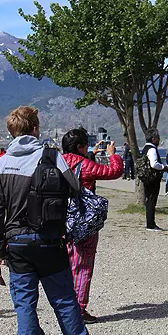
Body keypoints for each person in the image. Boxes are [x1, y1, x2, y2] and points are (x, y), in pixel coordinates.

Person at [0, 106, 106, 335]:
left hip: (17, 244)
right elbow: (75, 189)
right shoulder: (53, 157)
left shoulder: (2, 163)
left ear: (11, 131)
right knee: (64, 301)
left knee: (25, 305)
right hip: (50, 240)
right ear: (36, 129)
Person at [62, 128, 124, 323]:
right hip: (83, 221)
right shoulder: (84, 164)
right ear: (80, 147)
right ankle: (78, 309)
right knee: (83, 265)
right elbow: (114, 172)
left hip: (61, 220)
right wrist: (113, 156)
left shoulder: (58, 162)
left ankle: (65, 306)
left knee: (65, 265)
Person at [142, 128, 167, 231]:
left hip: (146, 177)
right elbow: (154, 164)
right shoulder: (152, 149)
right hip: (152, 178)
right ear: (153, 139)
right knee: (152, 200)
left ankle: (150, 222)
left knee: (149, 200)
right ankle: (151, 224)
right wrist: (163, 167)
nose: (159, 140)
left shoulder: (145, 148)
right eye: (158, 138)